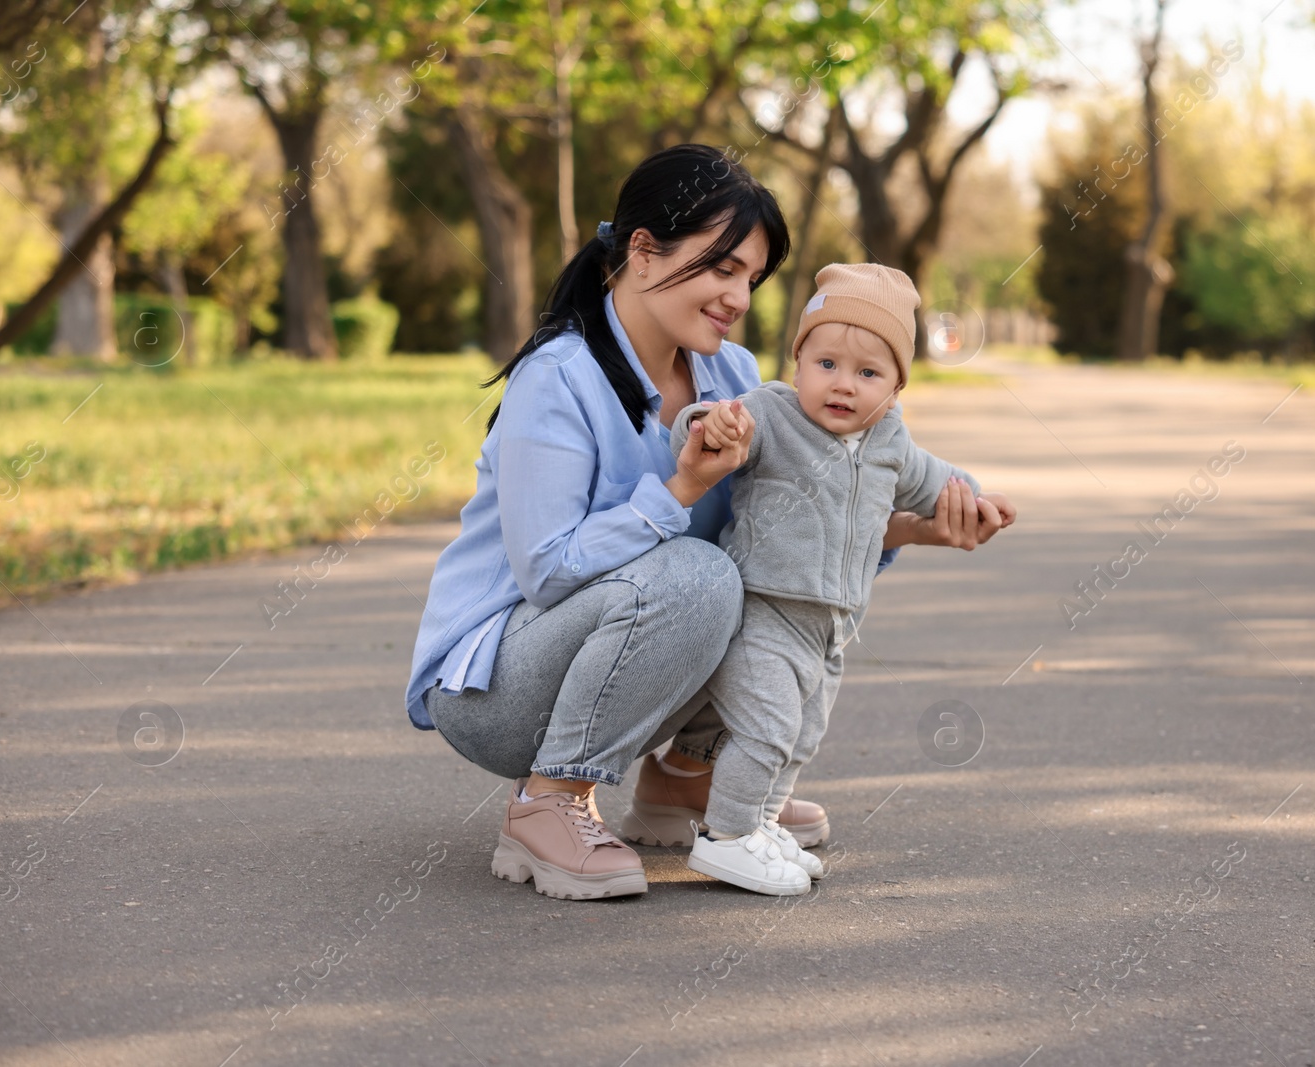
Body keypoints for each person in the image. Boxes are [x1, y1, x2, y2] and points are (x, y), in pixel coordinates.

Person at [406, 144, 1011, 902]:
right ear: (644, 250)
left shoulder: (731, 375)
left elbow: (783, 527)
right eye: (722, 268)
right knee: (702, 574)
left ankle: (689, 777)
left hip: (617, 648)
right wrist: (681, 484)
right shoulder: (559, 379)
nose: (738, 296)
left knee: (768, 591)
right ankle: (551, 800)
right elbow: (550, 570)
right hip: (498, 685)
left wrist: (915, 528)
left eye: (751, 278)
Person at [654, 263, 1013, 895]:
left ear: (897, 387)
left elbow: (942, 484)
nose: (842, 385)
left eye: (868, 373)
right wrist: (710, 425)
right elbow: (708, 421)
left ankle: (757, 825)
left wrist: (980, 503)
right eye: (826, 364)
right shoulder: (772, 414)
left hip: (833, 628)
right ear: (798, 364)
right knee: (764, 729)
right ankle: (727, 838)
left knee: (799, 737)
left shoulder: (891, 443)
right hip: (764, 609)